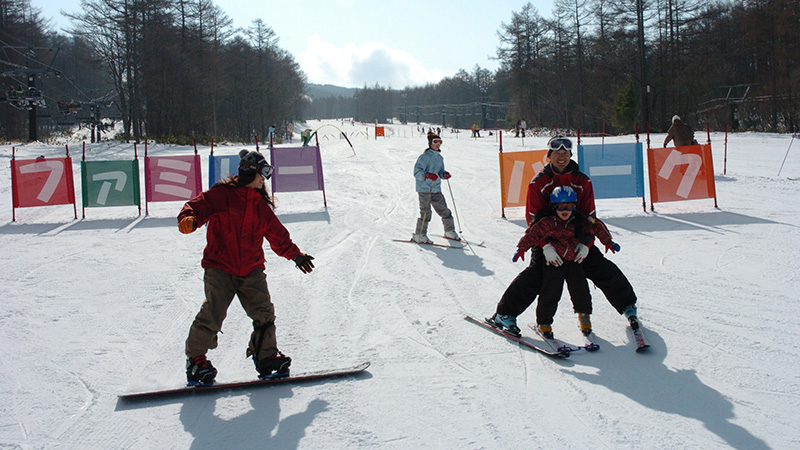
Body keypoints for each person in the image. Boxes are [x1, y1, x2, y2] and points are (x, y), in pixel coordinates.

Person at [177, 149, 316, 385]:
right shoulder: (222, 196)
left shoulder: (259, 205)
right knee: (213, 313)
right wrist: (188, 219)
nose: (265, 179)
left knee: (264, 313)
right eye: (263, 173)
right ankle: (196, 361)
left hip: (251, 270)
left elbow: (278, 235)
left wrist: (296, 256)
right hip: (220, 267)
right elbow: (196, 206)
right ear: (250, 173)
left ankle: (266, 357)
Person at [488, 136, 639, 336]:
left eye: (565, 153)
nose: (561, 157)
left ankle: (628, 305)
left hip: (576, 238)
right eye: (557, 153)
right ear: (549, 155)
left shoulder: (582, 181)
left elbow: (590, 217)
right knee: (537, 275)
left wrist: (586, 243)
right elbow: (533, 220)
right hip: (547, 238)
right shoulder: (539, 183)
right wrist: (546, 246)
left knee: (601, 267)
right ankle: (504, 314)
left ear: (570, 154)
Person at [514, 186, 620, 339]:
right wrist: (522, 248)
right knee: (550, 292)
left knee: (580, 290)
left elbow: (596, 226)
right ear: (554, 207)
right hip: (555, 262)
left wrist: (608, 241)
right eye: (561, 207)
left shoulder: (580, 220)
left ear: (574, 206)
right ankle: (544, 322)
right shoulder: (548, 222)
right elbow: (533, 233)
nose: (565, 211)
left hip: (575, 260)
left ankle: (584, 315)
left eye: (569, 206)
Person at [412, 131, 459, 244]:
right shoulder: (424, 157)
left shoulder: (439, 158)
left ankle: (449, 231)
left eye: (440, 142)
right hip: (424, 189)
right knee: (426, 213)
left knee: (444, 210)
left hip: (436, 188)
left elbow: (440, 171)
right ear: (430, 143)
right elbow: (417, 172)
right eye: (435, 142)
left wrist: (444, 174)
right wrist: (427, 175)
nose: (438, 144)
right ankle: (419, 234)